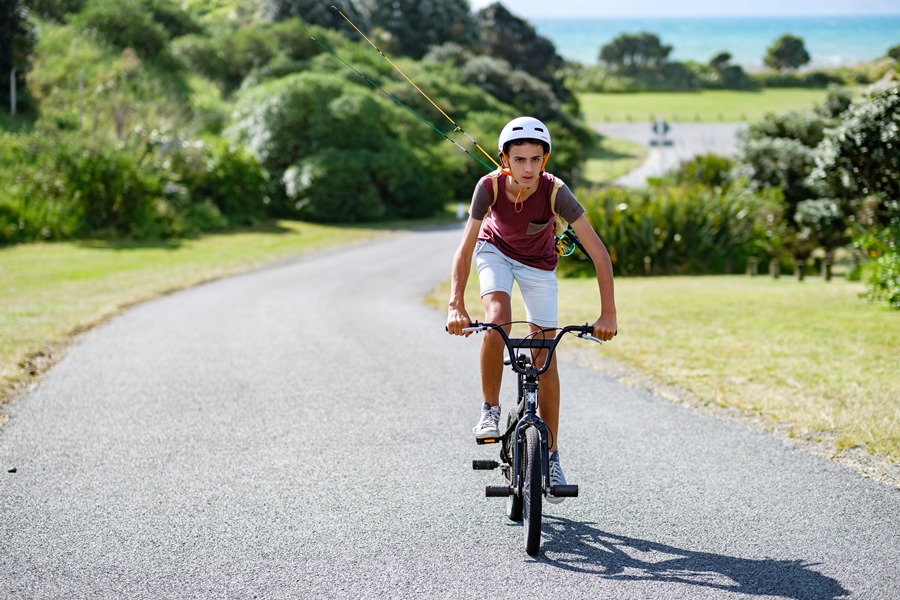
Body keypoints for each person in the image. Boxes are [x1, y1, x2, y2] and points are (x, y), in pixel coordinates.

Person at [446, 116, 617, 503]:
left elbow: (599, 254)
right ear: (504, 159)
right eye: (519, 159)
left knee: (546, 353)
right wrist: (456, 304)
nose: (528, 168)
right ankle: (490, 408)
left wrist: (609, 314)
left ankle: (552, 456)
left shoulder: (556, 192)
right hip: (495, 252)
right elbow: (466, 247)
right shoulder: (487, 187)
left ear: (545, 159)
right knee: (496, 321)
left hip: (540, 265)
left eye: (535, 159)